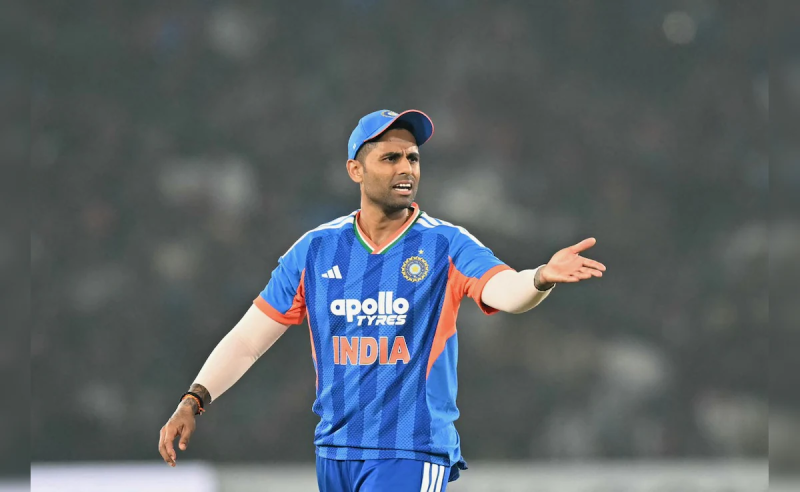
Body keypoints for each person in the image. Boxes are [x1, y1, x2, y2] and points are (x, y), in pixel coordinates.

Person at [158, 109, 606, 491]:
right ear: (356, 170)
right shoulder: (315, 250)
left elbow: (505, 292)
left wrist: (539, 277)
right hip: (335, 452)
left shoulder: (445, 244)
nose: (406, 168)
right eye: (390, 158)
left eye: (413, 158)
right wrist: (192, 400)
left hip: (410, 450)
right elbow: (248, 340)